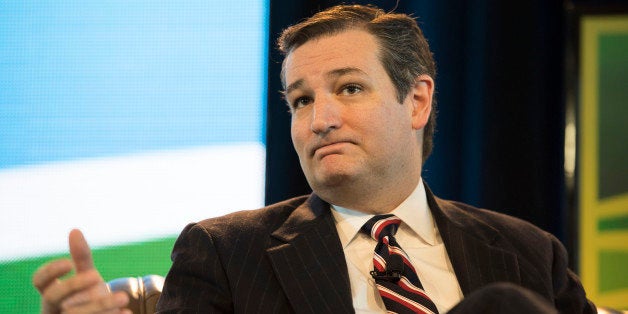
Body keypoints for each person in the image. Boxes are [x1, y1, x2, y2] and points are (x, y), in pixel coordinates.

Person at [33, 4, 596, 313]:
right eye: (301, 99)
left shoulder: (527, 253)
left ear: (417, 100)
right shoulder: (226, 255)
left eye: (349, 89)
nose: (319, 119)